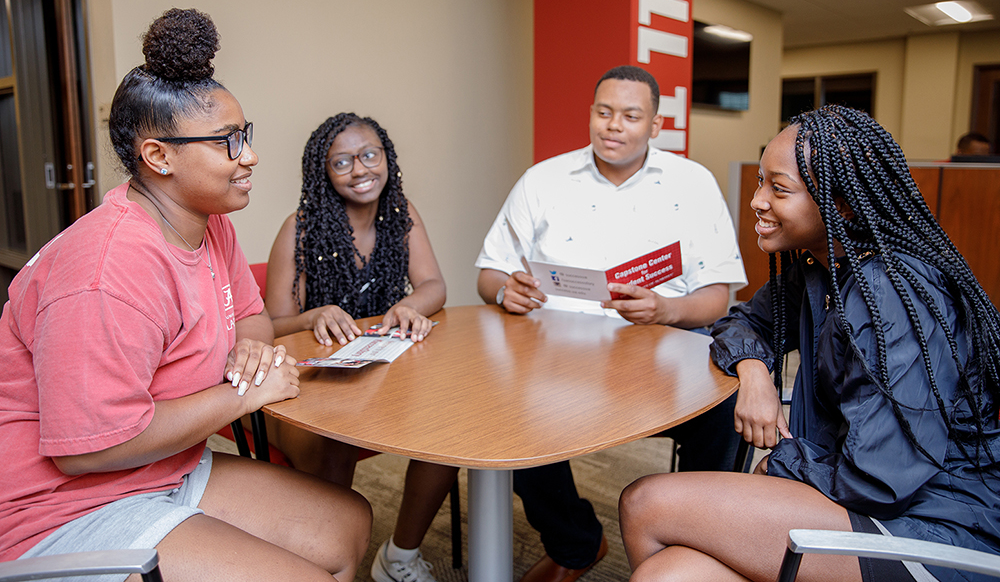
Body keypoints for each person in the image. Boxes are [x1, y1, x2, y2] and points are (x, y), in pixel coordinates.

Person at [0, 8, 372, 581]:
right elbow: (86, 450)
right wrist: (243, 396)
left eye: (245, 135)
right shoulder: (106, 270)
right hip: (57, 506)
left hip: (162, 467)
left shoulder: (207, 218)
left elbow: (251, 317)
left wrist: (251, 352)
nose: (249, 156)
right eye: (228, 142)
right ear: (159, 156)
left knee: (346, 522)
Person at [620, 105, 1000, 582]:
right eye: (760, 181)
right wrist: (754, 373)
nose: (757, 200)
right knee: (668, 574)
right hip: (848, 490)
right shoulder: (823, 267)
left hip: (927, 522)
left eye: (779, 188)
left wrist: (780, 465)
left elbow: (880, 479)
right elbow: (743, 322)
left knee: (645, 503)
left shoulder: (892, 295)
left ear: (840, 203)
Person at [476, 65, 747, 582]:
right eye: (603, 112)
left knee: (726, 404)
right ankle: (577, 543)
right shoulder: (543, 179)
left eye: (630, 115)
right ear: (591, 114)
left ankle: (694, 546)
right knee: (501, 413)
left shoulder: (694, 183)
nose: (613, 126)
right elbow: (489, 272)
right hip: (552, 349)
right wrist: (504, 289)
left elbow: (717, 297)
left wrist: (667, 309)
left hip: (661, 346)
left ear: (655, 125)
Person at [264, 112, 451, 582]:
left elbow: (434, 285)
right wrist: (311, 315)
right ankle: (321, 561)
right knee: (335, 444)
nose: (360, 169)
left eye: (370, 155)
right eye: (342, 161)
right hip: (309, 390)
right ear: (322, 172)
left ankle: (400, 557)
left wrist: (411, 305)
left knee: (449, 436)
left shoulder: (401, 213)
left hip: (384, 378)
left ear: (386, 157)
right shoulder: (300, 228)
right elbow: (270, 325)